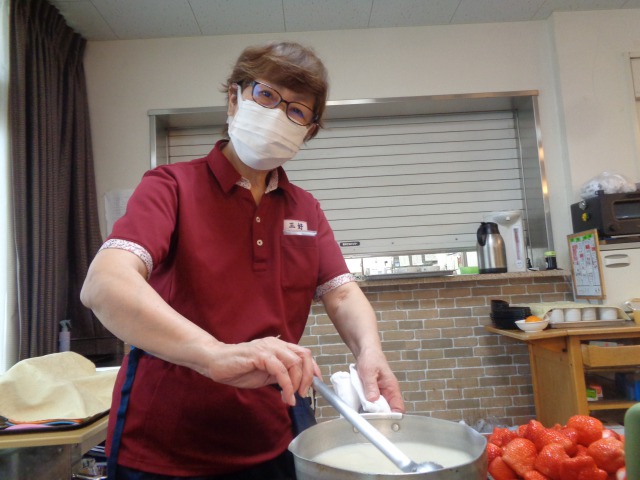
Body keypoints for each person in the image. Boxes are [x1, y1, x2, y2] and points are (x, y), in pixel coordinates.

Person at [81, 40, 404, 480]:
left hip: (272, 436)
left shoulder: (305, 209)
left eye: (297, 110)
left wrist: (370, 351)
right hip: (163, 445)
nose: (278, 114)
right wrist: (213, 354)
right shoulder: (171, 187)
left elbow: (342, 294)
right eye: (266, 95)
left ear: (308, 131)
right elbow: (105, 284)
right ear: (234, 98)